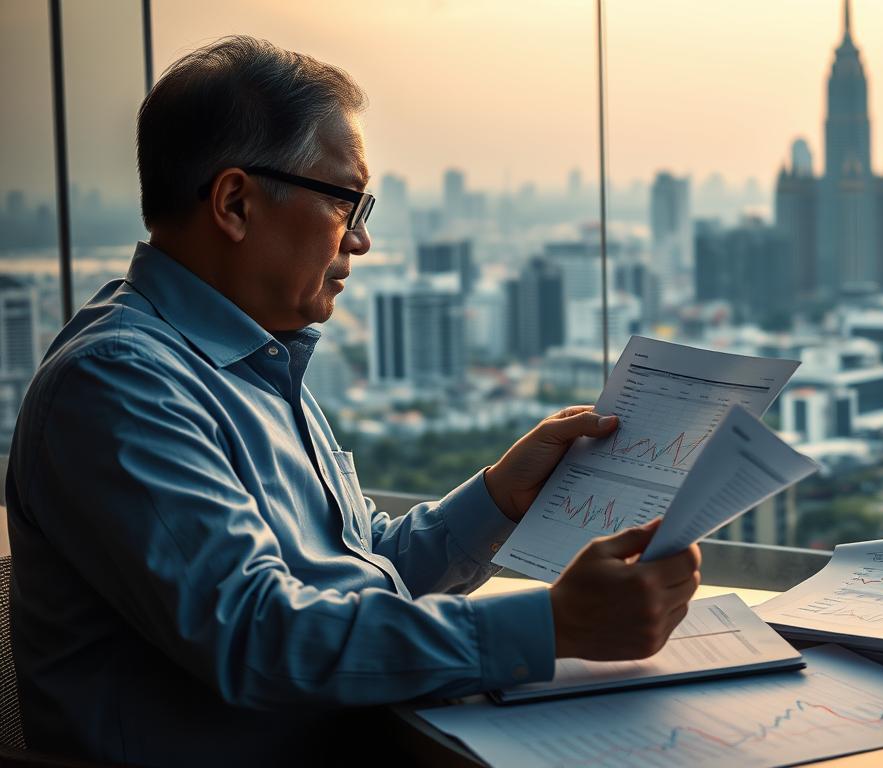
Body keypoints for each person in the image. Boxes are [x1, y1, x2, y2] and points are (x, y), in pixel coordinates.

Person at [4, 36, 700, 767]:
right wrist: (552, 628)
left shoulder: (253, 360)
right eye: (347, 202)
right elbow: (260, 637)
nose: (362, 241)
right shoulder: (121, 384)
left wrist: (499, 498)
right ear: (236, 203)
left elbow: (357, 569)